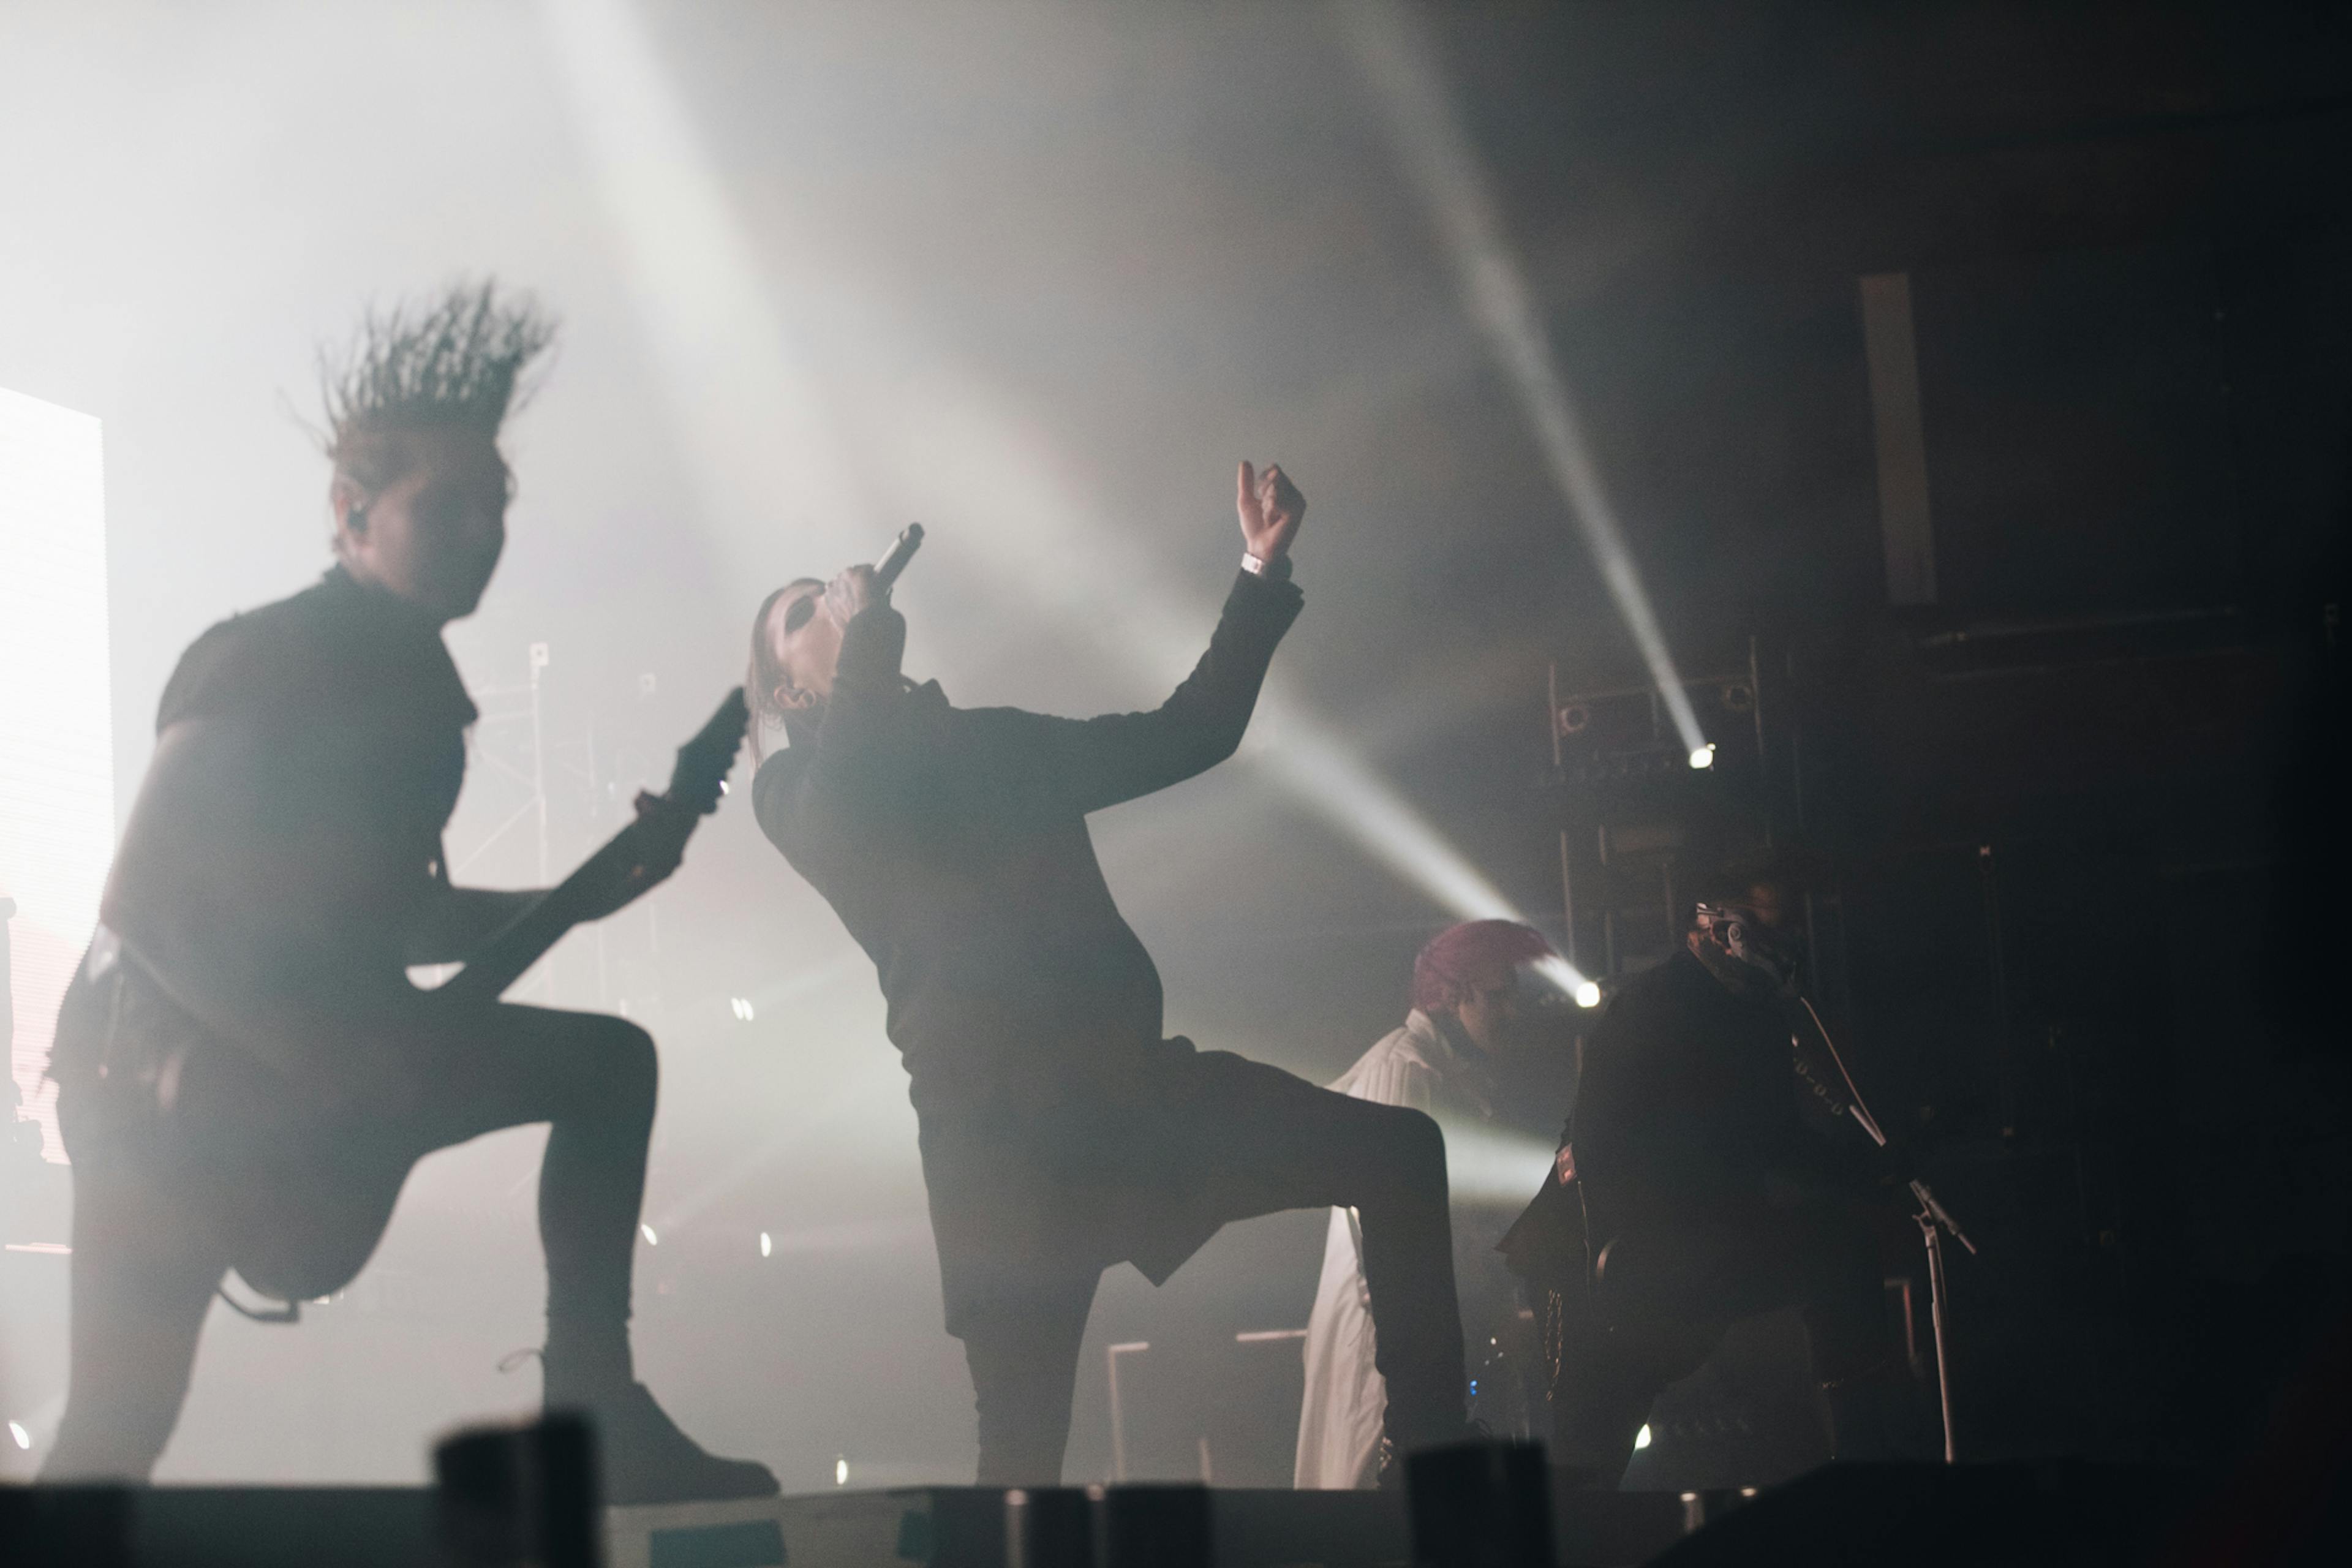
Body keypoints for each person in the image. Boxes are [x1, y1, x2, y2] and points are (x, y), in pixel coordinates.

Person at [42, 284, 774, 1501]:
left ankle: (595, 1408)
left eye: (497, 504)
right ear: (351, 513)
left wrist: (581, 892)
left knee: (607, 1065)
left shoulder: (424, 694)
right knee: (114, 1433)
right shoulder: (266, 655)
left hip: (285, 1065)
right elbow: (147, 899)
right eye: (449, 505)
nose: (484, 528)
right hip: (156, 1093)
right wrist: (316, 1062)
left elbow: (400, 918)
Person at [749, 463, 1473, 1485]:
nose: (823, 598)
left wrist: (1261, 572)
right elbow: (852, 797)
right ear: (787, 687)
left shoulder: (991, 745)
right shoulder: (791, 792)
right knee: (1022, 1453)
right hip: (997, 1143)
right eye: (797, 614)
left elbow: (1190, 733)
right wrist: (867, 629)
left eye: (822, 595)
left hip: (1131, 1094)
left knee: (1400, 1154)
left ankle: (1441, 1477)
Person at [1502, 858, 1916, 1485]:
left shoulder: (1757, 1015)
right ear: (1721, 927)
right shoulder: (1651, 1007)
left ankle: (1864, 1469)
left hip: (1670, 1249)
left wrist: (1871, 1170)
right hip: (1589, 1260)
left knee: (1842, 1252)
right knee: (1590, 1453)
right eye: (1771, 923)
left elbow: (1780, 1143)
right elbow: (1603, 1151)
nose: (1789, 941)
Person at [1294, 919, 1565, 1489]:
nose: (1512, 1012)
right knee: (1373, 1510)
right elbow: (1385, 1241)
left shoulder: (1441, 1074)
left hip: (1417, 1349)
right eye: (1498, 996)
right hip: (1390, 1356)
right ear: (1448, 996)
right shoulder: (1406, 1071)